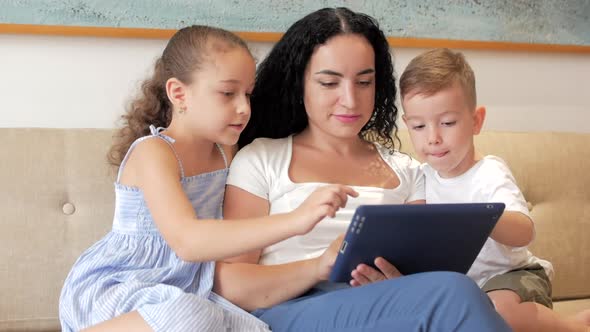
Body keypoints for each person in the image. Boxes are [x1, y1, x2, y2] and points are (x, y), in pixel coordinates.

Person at [214, 8, 512, 331]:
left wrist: (399, 283)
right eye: (329, 82)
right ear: (300, 83)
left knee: (450, 292)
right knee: (454, 293)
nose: (350, 100)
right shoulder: (261, 160)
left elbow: (427, 269)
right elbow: (230, 284)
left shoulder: (409, 171)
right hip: (292, 311)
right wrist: (317, 267)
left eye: (364, 82)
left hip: (391, 310)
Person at [58, 25, 357, 332]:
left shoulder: (227, 149)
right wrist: (297, 220)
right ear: (178, 93)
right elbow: (187, 242)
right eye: (227, 93)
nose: (243, 108)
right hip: (125, 285)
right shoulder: (154, 152)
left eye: (247, 94)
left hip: (191, 287)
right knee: (189, 315)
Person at [389, 47, 589, 332]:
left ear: (476, 121)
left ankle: (572, 327)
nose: (433, 138)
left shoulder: (489, 172)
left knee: (496, 313)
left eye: (447, 123)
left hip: (512, 276)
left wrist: (482, 219)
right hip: (460, 289)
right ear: (407, 125)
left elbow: (524, 232)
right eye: (419, 126)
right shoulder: (419, 177)